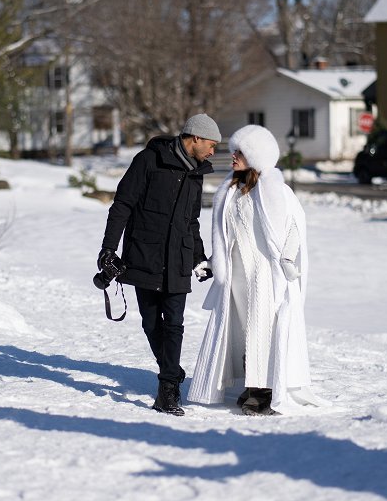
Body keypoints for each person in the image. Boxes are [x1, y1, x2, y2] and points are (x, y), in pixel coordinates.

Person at [188, 124, 322, 416]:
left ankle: (265, 391)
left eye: (240, 152)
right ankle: (252, 385)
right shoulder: (231, 190)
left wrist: (287, 259)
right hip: (237, 274)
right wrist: (212, 262)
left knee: (264, 328)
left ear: (256, 156)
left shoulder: (277, 192)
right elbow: (225, 235)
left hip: (264, 273)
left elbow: (294, 229)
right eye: (234, 150)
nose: (233, 156)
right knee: (244, 330)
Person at [97, 113, 221, 416]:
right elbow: (122, 204)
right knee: (151, 322)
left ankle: (168, 390)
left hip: (178, 257)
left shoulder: (196, 173)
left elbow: (192, 220)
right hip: (144, 255)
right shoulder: (148, 160)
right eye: (211, 144)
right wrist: (108, 248)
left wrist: (198, 257)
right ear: (194, 138)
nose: (213, 151)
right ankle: (172, 369)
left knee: (174, 323)